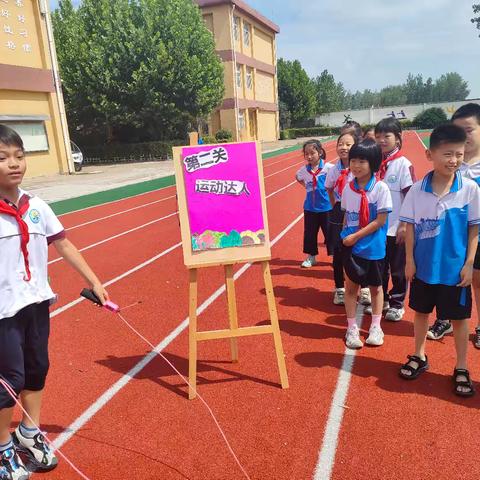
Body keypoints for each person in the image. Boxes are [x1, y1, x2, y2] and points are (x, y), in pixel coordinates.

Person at [0, 125, 109, 479]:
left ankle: (28, 434)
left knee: (37, 369)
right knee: (8, 380)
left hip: (35, 304)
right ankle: (2, 449)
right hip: (3, 312)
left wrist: (93, 280)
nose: (13, 164)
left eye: (19, 156)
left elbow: (63, 244)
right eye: (2, 158)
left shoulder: (37, 207)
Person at [398, 124, 480, 397]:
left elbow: (473, 229)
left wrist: (469, 263)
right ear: (429, 154)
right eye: (447, 154)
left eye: (459, 154)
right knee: (421, 313)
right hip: (423, 268)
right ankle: (419, 355)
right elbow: (409, 227)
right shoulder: (417, 191)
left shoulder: (469, 189)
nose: (454, 160)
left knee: (458, 320)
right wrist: (409, 260)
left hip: (455, 271)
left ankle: (461, 366)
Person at [427, 104, 480, 344]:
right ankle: (445, 320)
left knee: (477, 281)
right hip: (450, 237)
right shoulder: (450, 164)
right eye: (457, 130)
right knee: (446, 278)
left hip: (475, 236)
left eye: (468, 130)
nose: (463, 136)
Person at [340, 140, 392, 348]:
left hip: (373, 248)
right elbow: (346, 217)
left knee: (376, 288)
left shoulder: (380, 188)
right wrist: (345, 237)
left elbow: (380, 221)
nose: (356, 165)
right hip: (352, 248)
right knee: (351, 288)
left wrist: (356, 237)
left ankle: (376, 326)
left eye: (362, 160)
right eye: (353, 160)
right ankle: (351, 328)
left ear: (373, 163)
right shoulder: (347, 189)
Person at [366, 117, 415, 321]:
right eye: (378, 137)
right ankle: (382, 299)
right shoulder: (374, 163)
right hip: (377, 226)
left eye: (387, 136)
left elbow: (411, 196)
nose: (382, 140)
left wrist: (404, 224)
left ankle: (397, 303)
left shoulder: (403, 164)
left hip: (397, 226)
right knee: (379, 266)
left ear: (398, 138)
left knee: (397, 268)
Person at [325, 133, 370, 306]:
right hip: (338, 211)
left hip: (359, 211)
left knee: (361, 249)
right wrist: (336, 205)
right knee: (338, 251)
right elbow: (329, 188)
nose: (343, 147)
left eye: (348, 144)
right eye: (340, 144)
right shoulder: (333, 169)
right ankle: (340, 289)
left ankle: (365, 288)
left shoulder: (359, 168)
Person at [296, 139, 333, 268]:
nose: (309, 156)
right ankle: (311, 257)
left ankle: (335, 257)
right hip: (310, 208)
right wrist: (307, 187)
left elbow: (336, 182)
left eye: (312, 153)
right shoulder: (303, 170)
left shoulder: (329, 168)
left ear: (320, 152)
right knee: (310, 234)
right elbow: (298, 177)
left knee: (330, 233)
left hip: (327, 208)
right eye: (306, 154)